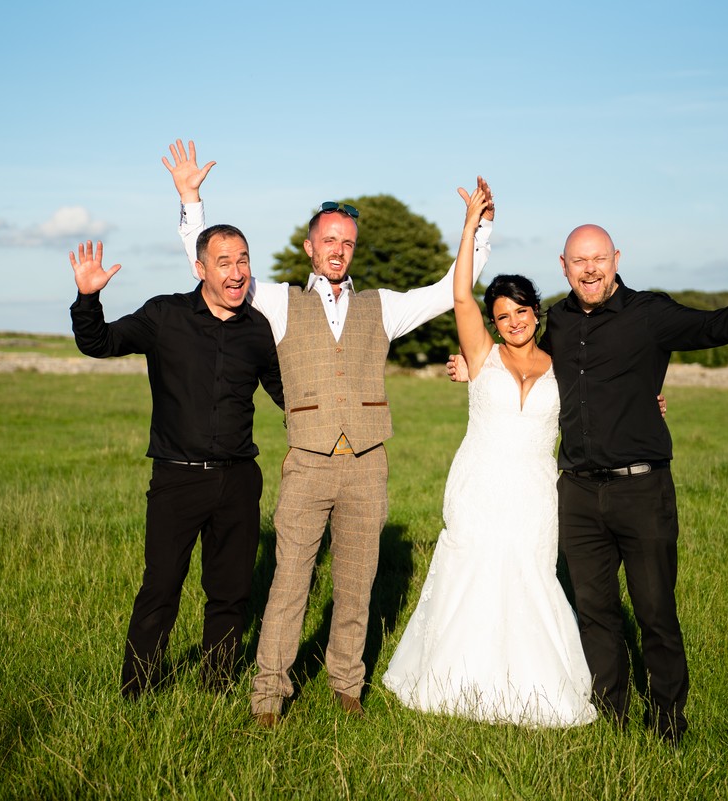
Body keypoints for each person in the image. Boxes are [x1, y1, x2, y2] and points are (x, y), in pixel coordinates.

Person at [454, 225, 728, 743]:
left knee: (655, 612)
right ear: (563, 266)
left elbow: (717, 327)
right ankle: (610, 715)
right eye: (578, 261)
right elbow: (521, 359)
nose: (589, 269)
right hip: (578, 494)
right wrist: (472, 367)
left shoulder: (650, 314)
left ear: (616, 259)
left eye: (598, 259)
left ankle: (668, 722)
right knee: (596, 612)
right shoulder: (559, 324)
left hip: (643, 490)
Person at [164, 139, 495, 726]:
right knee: (288, 584)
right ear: (310, 246)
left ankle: (347, 684)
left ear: (352, 249)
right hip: (309, 463)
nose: (338, 250)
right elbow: (214, 260)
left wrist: (479, 230)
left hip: (368, 461)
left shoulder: (382, 306)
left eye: (347, 242)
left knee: (357, 583)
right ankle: (269, 694)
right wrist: (191, 197)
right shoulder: (277, 303)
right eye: (329, 241)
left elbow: (450, 290)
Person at [381, 183, 597, 727]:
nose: (514, 321)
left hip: (534, 489)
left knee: (530, 574)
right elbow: (458, 298)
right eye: (502, 315)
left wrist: (650, 403)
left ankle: (535, 689)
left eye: (521, 311)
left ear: (534, 312)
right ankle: (457, 682)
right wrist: (471, 228)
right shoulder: (480, 355)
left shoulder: (562, 367)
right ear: (493, 322)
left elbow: (606, 397)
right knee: (473, 572)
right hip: (480, 481)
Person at [68, 228, 284, 700]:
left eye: (243, 260)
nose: (237, 271)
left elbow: (286, 394)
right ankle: (137, 691)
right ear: (200, 268)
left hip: (239, 480)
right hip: (176, 479)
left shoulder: (258, 329)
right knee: (160, 588)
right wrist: (88, 299)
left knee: (230, 594)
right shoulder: (164, 315)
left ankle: (217, 687)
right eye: (224, 261)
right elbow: (100, 342)